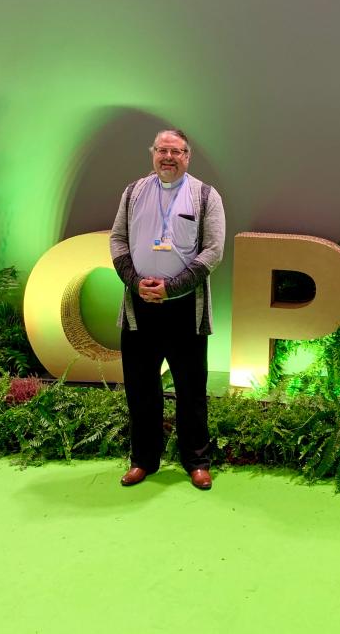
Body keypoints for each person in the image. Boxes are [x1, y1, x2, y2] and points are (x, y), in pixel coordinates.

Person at [109, 129, 226, 490]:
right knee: (141, 390)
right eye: (162, 150)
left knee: (191, 391)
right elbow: (117, 240)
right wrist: (133, 280)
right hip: (139, 308)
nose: (168, 157)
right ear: (153, 154)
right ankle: (143, 460)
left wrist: (171, 288)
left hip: (185, 311)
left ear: (188, 157)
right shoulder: (133, 193)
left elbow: (212, 252)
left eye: (176, 151)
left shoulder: (206, 195)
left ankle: (197, 462)